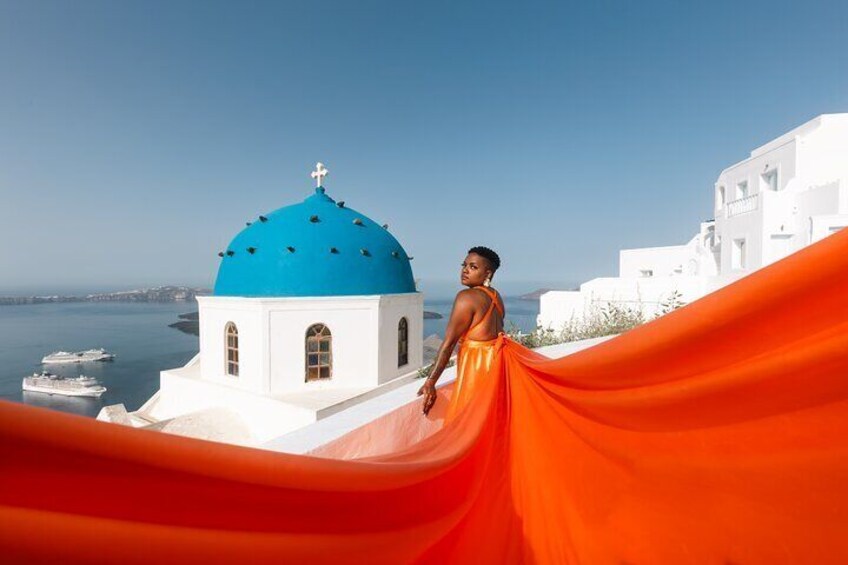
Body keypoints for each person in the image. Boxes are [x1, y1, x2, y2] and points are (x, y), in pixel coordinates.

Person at [417, 245, 506, 420]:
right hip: (498, 366)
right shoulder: (496, 295)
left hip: (478, 369)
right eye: (464, 265)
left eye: (473, 267)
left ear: (488, 274)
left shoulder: (466, 297)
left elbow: (449, 342)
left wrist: (430, 381)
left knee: (469, 422)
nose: (465, 270)